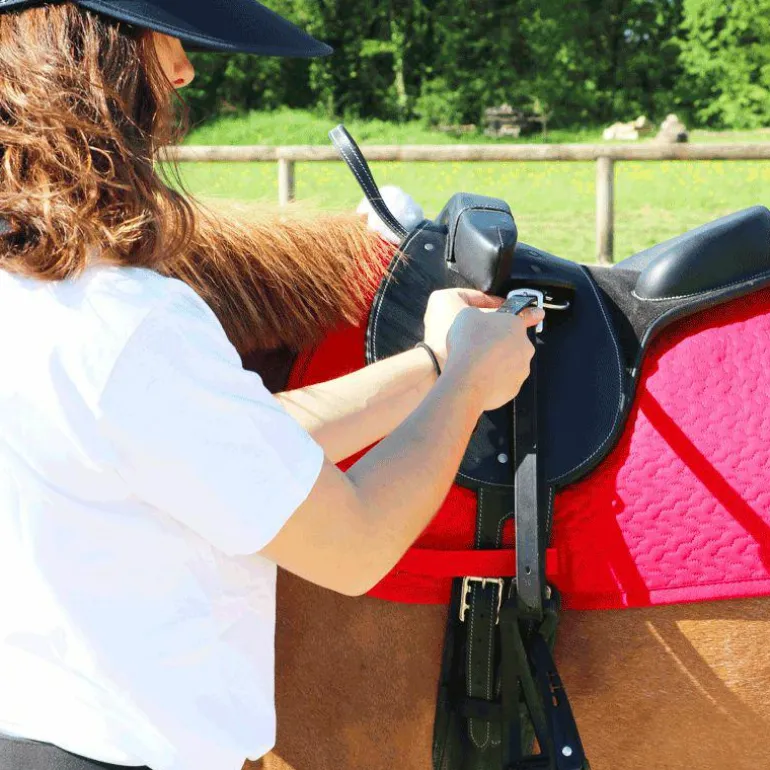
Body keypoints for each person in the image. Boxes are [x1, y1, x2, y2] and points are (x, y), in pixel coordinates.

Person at [0, 2, 543, 770]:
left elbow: (242, 437)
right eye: (164, 36)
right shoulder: (133, 324)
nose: (184, 67)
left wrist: (430, 360)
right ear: (89, 58)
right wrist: (466, 388)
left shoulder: (35, 295)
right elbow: (354, 547)